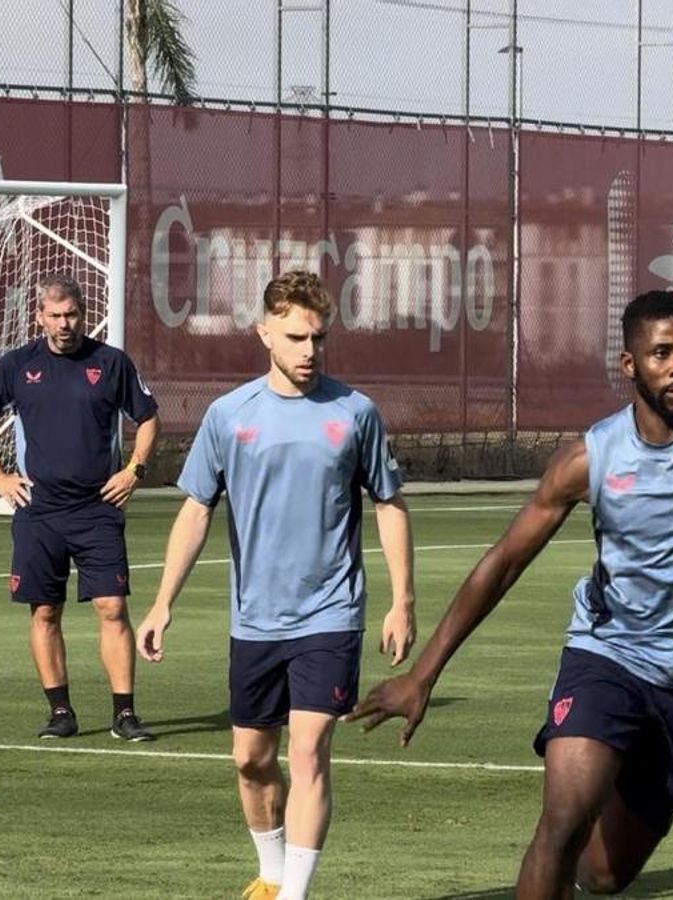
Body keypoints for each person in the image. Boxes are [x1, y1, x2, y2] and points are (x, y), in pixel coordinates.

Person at [348, 290, 673, 897]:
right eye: (662, 354)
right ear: (630, 365)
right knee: (563, 822)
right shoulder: (591, 458)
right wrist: (423, 674)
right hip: (607, 655)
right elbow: (504, 561)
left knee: (603, 872)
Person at [135, 270, 416, 900]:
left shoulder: (355, 412)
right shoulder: (228, 415)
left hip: (331, 613)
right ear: (264, 334)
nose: (309, 350)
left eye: (318, 337)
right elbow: (196, 510)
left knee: (309, 751)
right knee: (250, 760)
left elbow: (389, 504)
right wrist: (161, 604)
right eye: (295, 337)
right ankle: (271, 874)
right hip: (255, 620)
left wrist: (403, 600)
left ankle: (295, 895)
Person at [0, 273, 160, 742]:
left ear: (83, 314)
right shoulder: (17, 365)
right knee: (45, 612)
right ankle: (60, 712)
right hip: (39, 512)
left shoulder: (110, 362)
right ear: (39, 317)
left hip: (97, 509)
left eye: (71, 314)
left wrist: (133, 470)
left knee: (112, 607)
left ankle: (124, 714)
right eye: (54, 315)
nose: (64, 324)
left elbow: (148, 417)